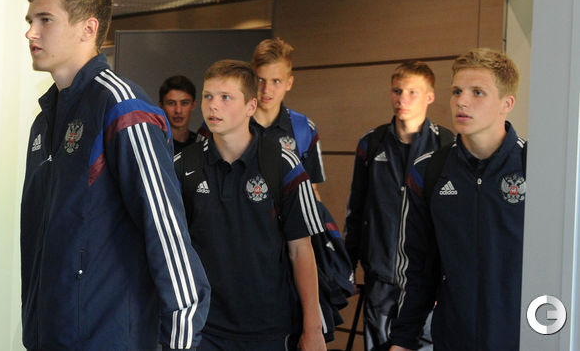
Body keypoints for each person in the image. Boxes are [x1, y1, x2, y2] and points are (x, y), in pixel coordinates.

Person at [19, 0, 210, 351]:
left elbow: (166, 231)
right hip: (50, 336)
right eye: (30, 21)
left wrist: (180, 341)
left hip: (108, 339)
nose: (30, 33)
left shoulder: (123, 109)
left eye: (45, 20)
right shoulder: (47, 119)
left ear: (88, 28)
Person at [175, 59, 327, 351]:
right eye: (208, 96)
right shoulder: (183, 166)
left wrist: (313, 329)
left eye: (225, 97)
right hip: (204, 327)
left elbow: (301, 250)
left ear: (251, 106)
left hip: (268, 327)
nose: (213, 105)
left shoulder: (283, 163)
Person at [389, 49, 525, 351]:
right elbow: (418, 268)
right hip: (452, 339)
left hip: (523, 339)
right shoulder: (429, 170)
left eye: (478, 92)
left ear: (507, 103)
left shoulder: (535, 167)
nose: (462, 101)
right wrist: (403, 339)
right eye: (456, 91)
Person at [343, 61, 450, 351]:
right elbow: (356, 211)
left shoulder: (447, 145)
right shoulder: (371, 143)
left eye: (413, 92)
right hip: (380, 280)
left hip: (427, 284)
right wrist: (347, 267)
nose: (403, 99)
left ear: (430, 96)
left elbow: (453, 224)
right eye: (397, 91)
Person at [250, 37, 326, 200]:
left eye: (276, 81)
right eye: (261, 80)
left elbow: (311, 191)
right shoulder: (230, 125)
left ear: (289, 83)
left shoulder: (305, 129)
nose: (266, 89)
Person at [159, 75, 198, 154]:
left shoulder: (200, 145)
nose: (178, 110)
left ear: (193, 105)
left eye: (184, 103)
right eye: (171, 103)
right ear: (161, 106)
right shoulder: (155, 144)